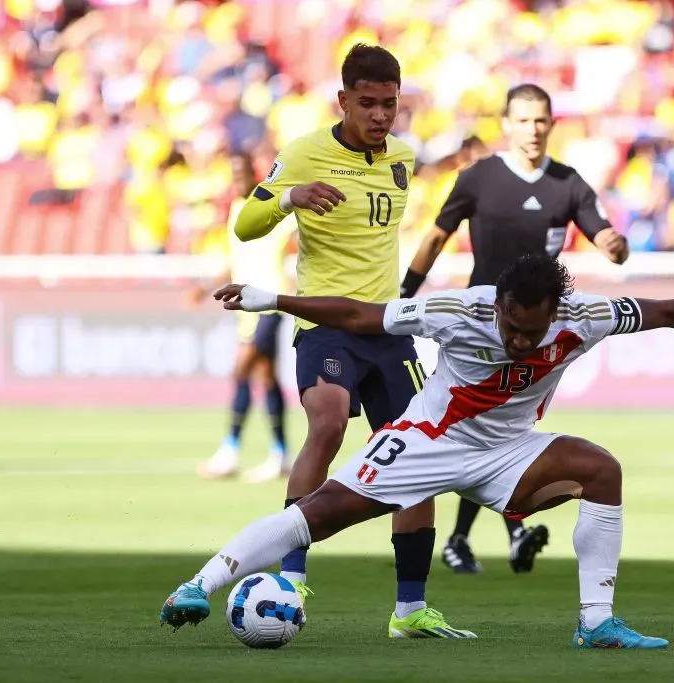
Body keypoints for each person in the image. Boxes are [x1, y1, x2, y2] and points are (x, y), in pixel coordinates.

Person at [160, 253, 674, 647]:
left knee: (601, 469)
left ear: (555, 309)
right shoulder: (457, 311)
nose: (522, 340)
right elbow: (363, 315)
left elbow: (666, 308)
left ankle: (596, 622)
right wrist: (273, 299)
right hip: (427, 442)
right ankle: (200, 583)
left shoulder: (583, 317)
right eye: (512, 325)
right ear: (496, 303)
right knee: (317, 515)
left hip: (508, 453)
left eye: (533, 330)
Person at [221, 43, 471, 638]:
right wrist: (289, 198)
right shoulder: (306, 153)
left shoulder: (403, 159)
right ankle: (291, 575)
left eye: (389, 104)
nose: (381, 115)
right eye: (368, 103)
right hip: (326, 325)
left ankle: (410, 610)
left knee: (419, 458)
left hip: (390, 332)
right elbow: (245, 223)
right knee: (328, 423)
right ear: (343, 100)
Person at [400, 83, 630, 575]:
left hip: (536, 334)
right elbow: (437, 234)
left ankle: (475, 536)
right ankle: (491, 532)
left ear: (552, 124)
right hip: (482, 331)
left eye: (540, 120)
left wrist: (615, 246)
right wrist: (406, 293)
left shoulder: (567, 184)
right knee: (482, 431)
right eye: (523, 120)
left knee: (501, 433)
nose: (532, 130)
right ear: (506, 124)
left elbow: (604, 234)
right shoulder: (479, 178)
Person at [191, 153, 296, 483]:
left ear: (254, 172)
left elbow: (295, 239)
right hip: (245, 306)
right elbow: (236, 259)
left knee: (242, 369)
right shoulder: (237, 210)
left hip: (269, 301)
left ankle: (230, 450)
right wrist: (206, 286)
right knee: (265, 378)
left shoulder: (271, 205)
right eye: (232, 172)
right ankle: (280, 454)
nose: (237, 177)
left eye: (241, 170)